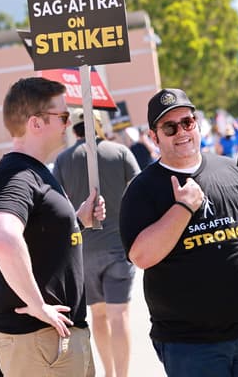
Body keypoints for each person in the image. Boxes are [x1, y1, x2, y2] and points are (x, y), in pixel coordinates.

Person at [119, 88, 238, 377]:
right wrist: (183, 208)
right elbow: (141, 256)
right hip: (190, 346)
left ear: (197, 124)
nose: (181, 132)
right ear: (154, 136)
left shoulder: (231, 171)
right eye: (170, 127)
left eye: (187, 122)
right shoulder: (142, 190)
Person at [0, 77, 106, 376]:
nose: (68, 123)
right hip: (40, 341)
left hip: (52, 340)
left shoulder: (33, 171)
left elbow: (38, 236)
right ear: (36, 123)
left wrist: (78, 221)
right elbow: (1, 235)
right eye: (62, 116)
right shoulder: (19, 174)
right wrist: (37, 304)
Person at [53, 108, 140, 377]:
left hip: (84, 252)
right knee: (119, 315)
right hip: (118, 246)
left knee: (98, 317)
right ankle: (123, 375)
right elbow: (140, 190)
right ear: (99, 126)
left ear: (74, 129)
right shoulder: (120, 152)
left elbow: (56, 202)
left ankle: (109, 373)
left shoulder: (63, 159)